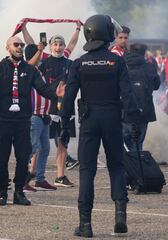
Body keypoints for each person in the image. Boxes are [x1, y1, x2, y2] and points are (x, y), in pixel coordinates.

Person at [60, 14, 140, 237]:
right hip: (112, 118)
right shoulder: (117, 61)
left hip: (89, 120)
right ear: (106, 34)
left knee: (87, 171)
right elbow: (128, 94)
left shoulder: (79, 63)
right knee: (116, 167)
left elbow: (68, 98)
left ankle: (85, 225)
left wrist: (64, 124)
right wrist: (132, 119)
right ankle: (120, 217)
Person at [0, 36, 57, 206]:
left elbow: (43, 89)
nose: (20, 47)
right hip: (3, 119)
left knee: (22, 157)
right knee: (2, 157)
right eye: (16, 44)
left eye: (22, 45)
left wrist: (58, 95)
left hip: (22, 120)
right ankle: (3, 192)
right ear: (8, 47)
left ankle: (19, 192)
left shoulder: (31, 70)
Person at [22, 22, 81, 176]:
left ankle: (60, 174)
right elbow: (31, 46)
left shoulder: (69, 61)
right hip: (47, 107)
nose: (58, 47)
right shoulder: (44, 60)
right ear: (50, 46)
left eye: (61, 44)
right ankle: (31, 172)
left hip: (65, 105)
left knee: (62, 140)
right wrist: (23, 28)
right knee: (40, 144)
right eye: (55, 44)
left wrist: (78, 28)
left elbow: (73, 43)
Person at [23, 43, 57, 192]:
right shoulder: (27, 70)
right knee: (31, 148)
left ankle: (40, 179)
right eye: (40, 55)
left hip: (43, 115)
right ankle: (22, 180)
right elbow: (29, 65)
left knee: (44, 149)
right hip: (33, 115)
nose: (42, 58)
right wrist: (40, 50)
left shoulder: (38, 71)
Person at [123, 43, 160, 151]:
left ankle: (130, 163)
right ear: (144, 53)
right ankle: (136, 164)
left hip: (125, 109)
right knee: (138, 141)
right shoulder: (150, 67)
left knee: (126, 139)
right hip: (144, 110)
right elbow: (157, 86)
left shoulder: (121, 65)